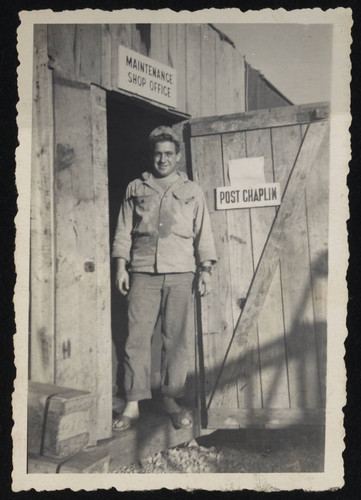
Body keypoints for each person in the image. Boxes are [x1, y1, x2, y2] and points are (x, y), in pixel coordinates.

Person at [112, 126, 217, 431]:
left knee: (176, 341)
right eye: (157, 154)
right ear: (151, 155)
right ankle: (132, 403)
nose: (162, 160)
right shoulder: (136, 188)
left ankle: (170, 399)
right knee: (136, 337)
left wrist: (206, 269)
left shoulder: (192, 191)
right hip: (142, 271)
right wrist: (121, 266)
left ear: (178, 156)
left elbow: (203, 233)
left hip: (181, 273)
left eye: (168, 154)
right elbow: (122, 231)